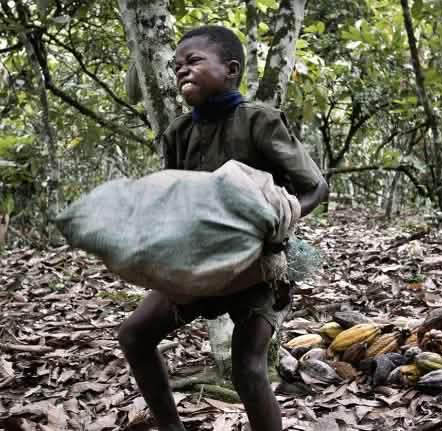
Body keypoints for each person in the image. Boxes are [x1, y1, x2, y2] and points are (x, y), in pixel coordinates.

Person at [117, 25, 328, 431]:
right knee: (135, 335)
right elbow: (173, 193)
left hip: (258, 266)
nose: (181, 71)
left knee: (247, 370)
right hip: (201, 261)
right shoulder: (180, 131)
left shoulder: (259, 121)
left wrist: (278, 223)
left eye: (193, 61)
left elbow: (315, 187)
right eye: (176, 66)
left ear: (231, 70)